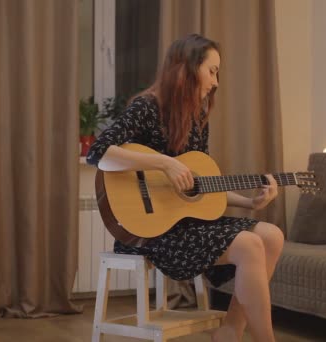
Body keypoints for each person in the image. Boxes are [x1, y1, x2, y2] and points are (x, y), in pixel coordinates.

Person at [86, 34, 283, 342]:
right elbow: (99, 154)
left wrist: (250, 202)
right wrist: (164, 164)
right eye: (212, 70)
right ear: (186, 70)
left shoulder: (197, 118)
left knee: (272, 235)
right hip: (151, 232)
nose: (216, 82)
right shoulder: (146, 107)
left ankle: (232, 329)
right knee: (249, 245)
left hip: (187, 223)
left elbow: (200, 187)